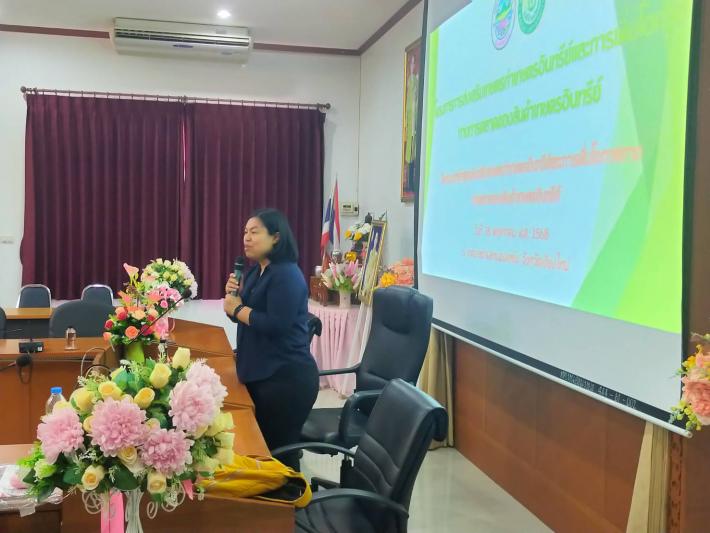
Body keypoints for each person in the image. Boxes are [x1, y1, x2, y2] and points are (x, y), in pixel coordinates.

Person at [223, 208, 319, 470]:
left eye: (255, 232)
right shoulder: (257, 272)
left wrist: (238, 309)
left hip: (285, 381)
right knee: (263, 450)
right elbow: (244, 318)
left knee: (278, 455)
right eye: (245, 232)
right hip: (262, 373)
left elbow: (276, 325)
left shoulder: (286, 275)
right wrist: (235, 301)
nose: (247, 238)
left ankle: (291, 495)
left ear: (276, 237)